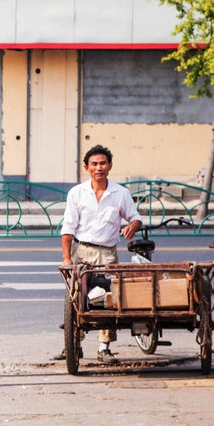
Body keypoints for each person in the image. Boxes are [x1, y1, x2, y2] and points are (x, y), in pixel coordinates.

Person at [57, 145, 142, 363]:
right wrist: (67, 258)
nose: (99, 168)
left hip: (107, 253)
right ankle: (73, 342)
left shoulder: (120, 193)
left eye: (103, 163)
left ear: (110, 166)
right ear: (87, 167)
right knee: (78, 298)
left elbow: (135, 217)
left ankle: (104, 348)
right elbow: (68, 228)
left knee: (107, 300)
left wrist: (133, 225)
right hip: (81, 250)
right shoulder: (77, 193)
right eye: (94, 164)